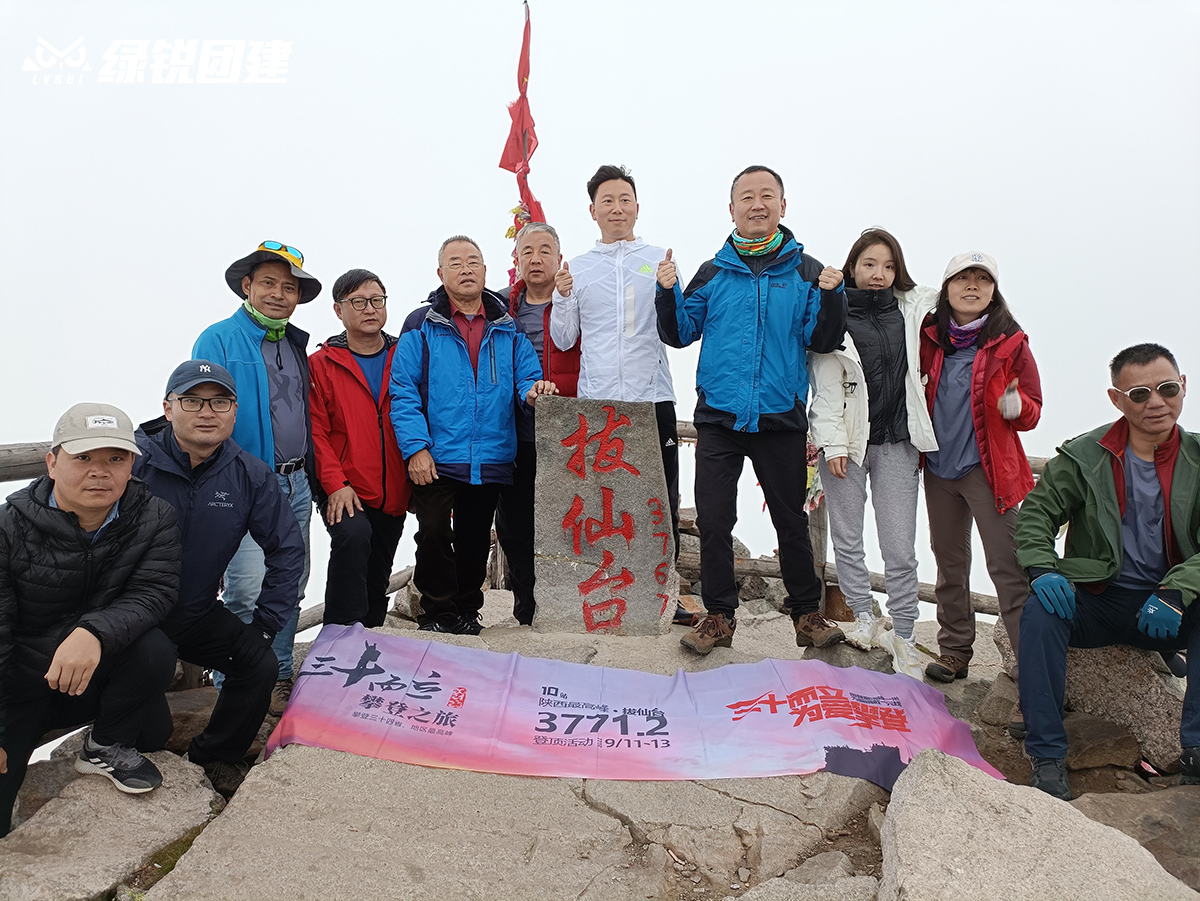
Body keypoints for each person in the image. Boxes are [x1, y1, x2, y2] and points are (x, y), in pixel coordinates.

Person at [656, 164, 848, 654]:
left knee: (791, 521)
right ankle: (718, 616)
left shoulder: (807, 271)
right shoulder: (713, 271)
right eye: (747, 196)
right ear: (732, 208)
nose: (757, 204)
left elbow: (823, 339)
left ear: (783, 206)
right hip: (720, 417)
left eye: (767, 195)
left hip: (781, 415)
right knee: (715, 520)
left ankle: (806, 614)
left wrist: (832, 297)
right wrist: (666, 290)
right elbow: (679, 333)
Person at [1016, 343, 1200, 800]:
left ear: (1184, 388)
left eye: (1167, 388)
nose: (1155, 402)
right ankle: (1047, 755)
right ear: (1117, 400)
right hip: (1100, 598)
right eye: (1139, 393)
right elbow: (1037, 515)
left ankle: (1195, 753)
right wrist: (1042, 568)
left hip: (1168, 605)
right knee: (1040, 612)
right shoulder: (1084, 456)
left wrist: (1177, 591)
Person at [0, 404, 180, 836]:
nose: (100, 471)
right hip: (22, 682)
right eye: (84, 458)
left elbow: (154, 593)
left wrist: (93, 632)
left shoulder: (153, 517)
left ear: (132, 464)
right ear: (52, 462)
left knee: (156, 682)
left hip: (93, 671)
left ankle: (102, 745)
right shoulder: (8, 527)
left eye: (115, 459)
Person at [134, 361, 305, 798]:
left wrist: (265, 623)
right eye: (192, 400)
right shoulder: (135, 463)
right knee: (149, 730)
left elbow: (287, 548)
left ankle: (214, 756)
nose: (207, 411)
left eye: (220, 401)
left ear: (234, 410)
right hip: (131, 616)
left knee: (259, 663)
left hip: (193, 612)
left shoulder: (248, 473)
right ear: (168, 408)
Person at [390, 236, 556, 634]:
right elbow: (403, 388)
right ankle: (436, 611)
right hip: (436, 453)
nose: (466, 269)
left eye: (474, 262)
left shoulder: (506, 324)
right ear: (440, 273)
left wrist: (533, 392)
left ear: (486, 271)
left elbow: (526, 376)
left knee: (475, 538)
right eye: (456, 262)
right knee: (432, 529)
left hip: (493, 454)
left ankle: (466, 610)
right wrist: (415, 448)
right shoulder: (421, 323)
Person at [549, 165, 691, 624]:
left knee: (660, 499)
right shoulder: (578, 268)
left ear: (637, 206)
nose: (616, 208)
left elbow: (675, 331)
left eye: (624, 199)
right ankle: (600, 598)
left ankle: (664, 596)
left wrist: (670, 286)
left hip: (652, 398)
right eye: (606, 200)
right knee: (600, 501)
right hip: (598, 404)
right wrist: (563, 297)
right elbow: (565, 338)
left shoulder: (657, 259)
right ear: (592, 211)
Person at [193, 241, 321, 713]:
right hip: (239, 483)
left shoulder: (294, 343)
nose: (278, 294)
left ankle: (280, 675)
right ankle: (235, 685)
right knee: (246, 587)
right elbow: (200, 415)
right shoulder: (219, 339)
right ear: (247, 286)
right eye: (268, 283)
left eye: (289, 287)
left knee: (291, 581)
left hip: (294, 484)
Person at [808, 229, 938, 679]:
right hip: (846, 444)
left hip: (899, 442)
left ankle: (903, 631)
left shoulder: (913, 312)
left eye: (887, 265)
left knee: (900, 546)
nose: (878, 274)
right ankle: (863, 616)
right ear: (852, 267)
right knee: (847, 537)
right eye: (869, 264)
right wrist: (833, 444)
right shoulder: (835, 313)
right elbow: (823, 387)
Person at [919, 252, 1041, 690]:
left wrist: (1016, 405)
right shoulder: (928, 337)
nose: (972, 286)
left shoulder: (1011, 341)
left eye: (982, 279)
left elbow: (1033, 410)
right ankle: (954, 651)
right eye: (962, 278)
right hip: (937, 467)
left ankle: (1033, 669)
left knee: (1008, 567)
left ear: (994, 290)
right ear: (947, 287)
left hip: (989, 471)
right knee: (950, 563)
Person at [309, 269, 411, 628]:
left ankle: (368, 643)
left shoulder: (406, 354)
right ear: (339, 311)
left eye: (377, 300)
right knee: (353, 538)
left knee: (378, 571)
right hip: (345, 485)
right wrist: (335, 484)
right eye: (358, 302)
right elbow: (317, 432)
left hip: (395, 488)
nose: (370, 309)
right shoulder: (321, 365)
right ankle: (336, 640)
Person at [496, 223, 580, 625]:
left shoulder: (575, 301)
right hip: (514, 427)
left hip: (567, 427)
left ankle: (567, 604)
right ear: (516, 261)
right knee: (513, 521)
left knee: (567, 518)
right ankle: (525, 605)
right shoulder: (501, 308)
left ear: (559, 259)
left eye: (545, 250)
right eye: (526, 251)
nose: (535, 258)